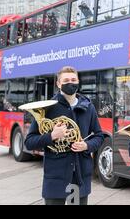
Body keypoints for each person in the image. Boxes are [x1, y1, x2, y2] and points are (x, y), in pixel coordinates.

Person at [25, 66, 104, 205]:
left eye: (73, 80)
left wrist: (87, 145)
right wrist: (52, 135)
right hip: (56, 178)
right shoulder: (47, 107)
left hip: (79, 177)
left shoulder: (88, 107)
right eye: (66, 80)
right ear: (58, 83)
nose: (70, 83)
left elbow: (99, 136)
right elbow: (29, 142)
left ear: (78, 81)